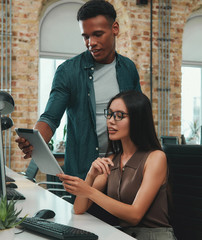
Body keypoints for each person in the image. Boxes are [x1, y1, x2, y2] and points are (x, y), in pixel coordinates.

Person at [16, 0, 141, 179]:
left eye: (98, 34)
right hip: (85, 172)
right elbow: (50, 117)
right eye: (86, 36)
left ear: (115, 29)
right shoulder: (68, 71)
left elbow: (139, 118)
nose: (91, 43)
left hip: (124, 171)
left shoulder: (128, 69)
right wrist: (35, 141)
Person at [57, 91, 176, 240]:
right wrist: (90, 175)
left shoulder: (156, 158)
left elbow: (134, 215)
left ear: (138, 120)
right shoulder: (112, 159)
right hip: (123, 236)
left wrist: (89, 191)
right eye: (110, 114)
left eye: (119, 116)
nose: (111, 121)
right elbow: (79, 209)